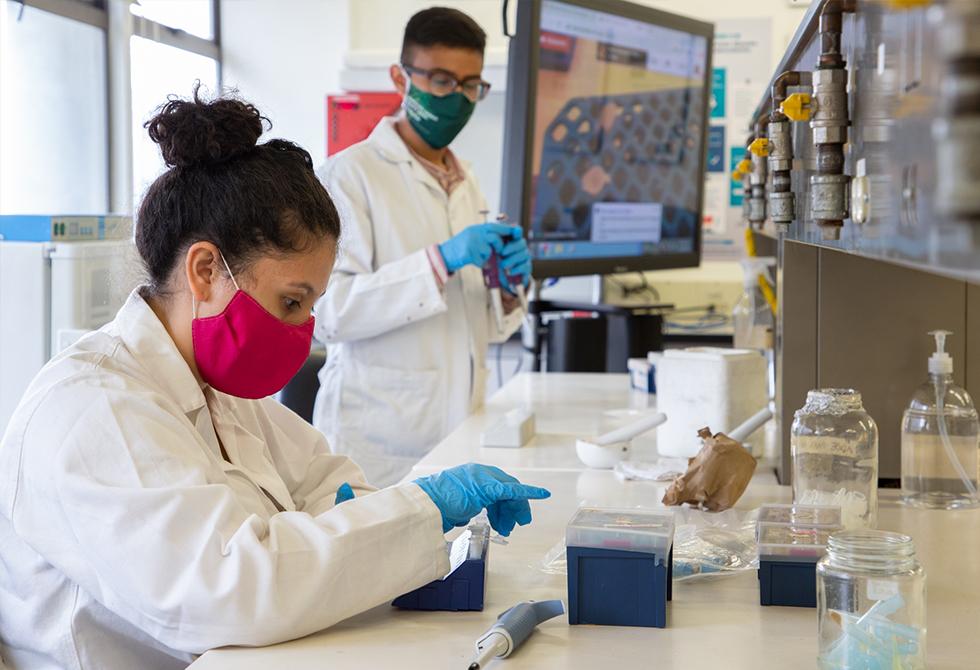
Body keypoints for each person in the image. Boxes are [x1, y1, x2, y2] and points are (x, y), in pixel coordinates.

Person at [0, 90, 549, 670]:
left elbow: (322, 480)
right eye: (291, 301)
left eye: (311, 306)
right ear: (206, 270)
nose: (303, 329)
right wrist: (420, 510)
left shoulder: (213, 388)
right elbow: (226, 589)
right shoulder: (94, 409)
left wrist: (383, 517)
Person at [313, 7, 532, 486]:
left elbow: (477, 326)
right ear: (401, 78)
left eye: (470, 85)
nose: (458, 98)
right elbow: (328, 313)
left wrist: (507, 290)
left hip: (460, 428)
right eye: (441, 81)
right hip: (379, 445)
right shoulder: (348, 176)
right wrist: (440, 261)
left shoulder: (466, 180)